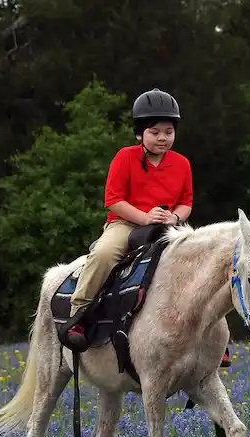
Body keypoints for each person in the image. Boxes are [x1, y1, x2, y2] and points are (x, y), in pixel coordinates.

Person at [64, 87, 194, 351]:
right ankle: (78, 313)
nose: (163, 138)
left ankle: (208, 331)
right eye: (155, 132)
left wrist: (174, 217)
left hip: (167, 227)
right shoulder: (125, 157)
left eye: (168, 132)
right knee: (104, 253)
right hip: (125, 224)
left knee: (201, 260)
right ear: (139, 133)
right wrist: (145, 218)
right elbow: (113, 199)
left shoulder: (182, 163)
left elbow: (186, 202)